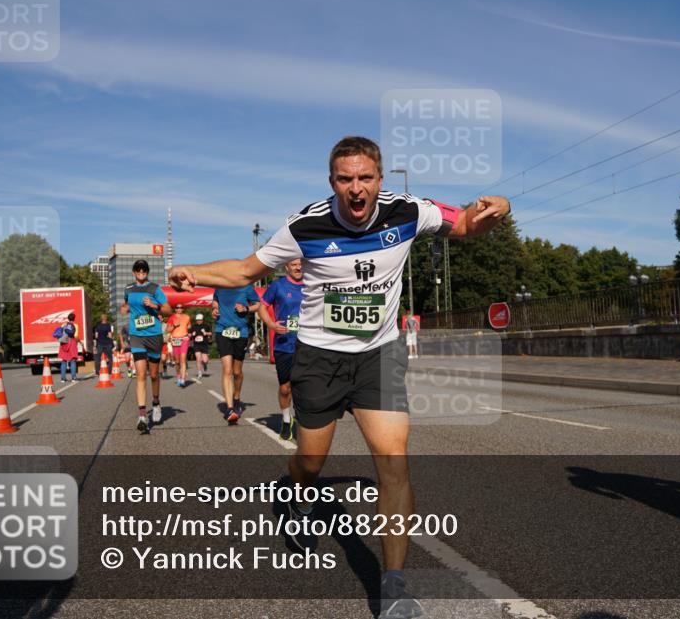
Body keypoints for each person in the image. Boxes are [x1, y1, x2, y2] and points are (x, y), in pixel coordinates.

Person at [170, 136, 510, 617]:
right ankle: (299, 501)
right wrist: (195, 273)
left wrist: (502, 207)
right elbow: (246, 271)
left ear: (380, 179)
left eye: (365, 178)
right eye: (345, 179)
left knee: (393, 461)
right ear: (332, 182)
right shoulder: (305, 224)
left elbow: (471, 225)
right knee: (310, 463)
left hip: (379, 355)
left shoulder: (409, 211)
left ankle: (393, 586)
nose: (356, 189)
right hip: (319, 358)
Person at [121, 259, 172, 433]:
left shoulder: (155, 289)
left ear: (147, 272)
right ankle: (142, 414)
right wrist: (124, 309)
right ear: (134, 272)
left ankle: (156, 403)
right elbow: (125, 304)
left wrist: (155, 305)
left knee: (154, 375)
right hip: (137, 336)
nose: (141, 272)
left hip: (154, 335)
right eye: (138, 270)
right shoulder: (128, 289)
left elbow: (168, 309)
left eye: (144, 270)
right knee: (140, 374)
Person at [257, 258, 305, 440]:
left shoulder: (313, 284)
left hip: (308, 343)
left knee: (305, 386)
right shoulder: (278, 286)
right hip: (284, 343)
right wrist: (270, 324)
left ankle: (302, 421)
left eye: (300, 264)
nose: (298, 267)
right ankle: (286, 420)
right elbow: (262, 307)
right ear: (287, 267)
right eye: (293, 264)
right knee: (285, 388)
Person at [211, 283, 263, 424]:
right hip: (222, 330)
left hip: (241, 332)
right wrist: (215, 308)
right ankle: (229, 409)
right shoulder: (220, 287)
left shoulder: (246, 287)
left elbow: (258, 304)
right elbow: (215, 300)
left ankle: (237, 398)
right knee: (227, 370)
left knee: (237, 372)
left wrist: (246, 308)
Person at [166, 304, 192, 387]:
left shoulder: (187, 317)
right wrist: (174, 326)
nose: (179, 309)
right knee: (177, 362)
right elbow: (167, 330)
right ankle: (178, 376)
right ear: (175, 309)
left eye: (181, 307)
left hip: (184, 339)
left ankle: (183, 379)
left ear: (183, 309)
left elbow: (189, 326)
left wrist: (188, 333)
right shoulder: (172, 318)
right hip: (175, 340)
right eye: (177, 307)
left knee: (183, 360)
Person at [56, 313, 79, 383]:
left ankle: (63, 378)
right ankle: (73, 378)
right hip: (72, 342)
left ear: (68, 318)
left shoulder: (63, 325)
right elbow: (76, 336)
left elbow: (60, 334)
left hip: (64, 342)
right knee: (73, 360)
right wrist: (79, 342)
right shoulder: (75, 325)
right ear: (74, 318)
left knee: (64, 360)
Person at [189, 313, 212, 379]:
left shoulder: (206, 326)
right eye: (198, 320)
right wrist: (192, 334)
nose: (199, 321)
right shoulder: (193, 326)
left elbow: (210, 333)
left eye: (200, 320)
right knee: (198, 359)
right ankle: (199, 373)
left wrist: (206, 333)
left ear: (202, 320)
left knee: (205, 360)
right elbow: (189, 334)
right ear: (196, 320)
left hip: (204, 344)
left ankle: (204, 364)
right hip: (196, 345)